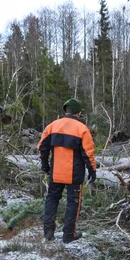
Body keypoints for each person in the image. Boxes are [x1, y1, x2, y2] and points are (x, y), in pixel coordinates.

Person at [37, 99, 96, 244]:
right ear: (79, 113)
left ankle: (48, 233)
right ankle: (69, 235)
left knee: (51, 199)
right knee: (73, 203)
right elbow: (88, 153)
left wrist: (45, 165)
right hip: (74, 174)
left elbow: (42, 148)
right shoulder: (82, 129)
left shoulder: (52, 126)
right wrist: (92, 171)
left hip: (55, 172)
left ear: (66, 111)